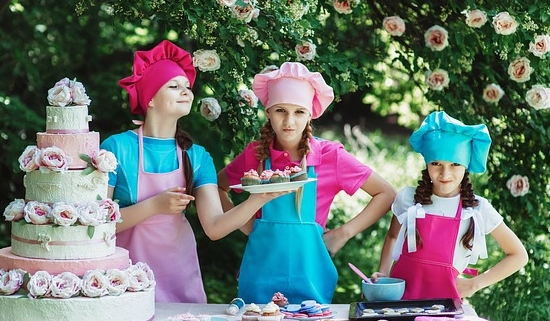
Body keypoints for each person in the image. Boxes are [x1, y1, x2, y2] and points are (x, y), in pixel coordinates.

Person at [101, 40, 286, 303]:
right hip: (125, 277)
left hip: (178, 273)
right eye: (174, 86)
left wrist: (260, 198)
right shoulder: (116, 148)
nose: (186, 91)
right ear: (150, 98)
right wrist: (155, 205)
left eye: (187, 87)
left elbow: (214, 227)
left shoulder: (197, 156)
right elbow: (96, 225)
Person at [217, 62, 397, 304]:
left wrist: (343, 234)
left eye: (299, 112)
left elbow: (386, 194)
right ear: (268, 112)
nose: (289, 121)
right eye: (281, 110)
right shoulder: (255, 155)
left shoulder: (330, 156)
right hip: (259, 276)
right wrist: (244, 222)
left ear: (310, 114)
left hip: (311, 278)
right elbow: (217, 186)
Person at [371, 111, 528, 302]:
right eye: (436, 163)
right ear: (427, 164)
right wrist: (384, 275)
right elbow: (393, 236)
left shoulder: (478, 209)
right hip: (399, 302)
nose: (445, 173)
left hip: (444, 307)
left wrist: (474, 284)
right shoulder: (407, 198)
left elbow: (519, 255)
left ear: (466, 165)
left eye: (455, 164)